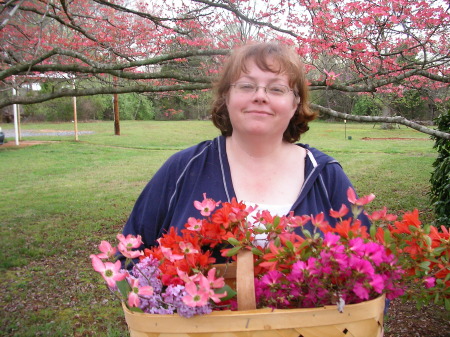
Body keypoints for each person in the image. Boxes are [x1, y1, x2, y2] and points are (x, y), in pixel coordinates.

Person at [121, 42, 370, 254]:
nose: (260, 96)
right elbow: (130, 257)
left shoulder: (326, 176)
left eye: (276, 88)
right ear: (226, 98)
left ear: (296, 104)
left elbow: (369, 268)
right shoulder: (183, 169)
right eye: (246, 86)